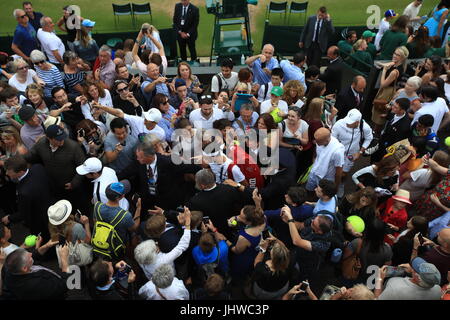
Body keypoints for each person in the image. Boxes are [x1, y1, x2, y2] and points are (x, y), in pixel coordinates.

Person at [118, 141, 200, 215]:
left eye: (140, 157)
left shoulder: (168, 162)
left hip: (167, 200)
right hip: (147, 200)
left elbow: (191, 167)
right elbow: (125, 172)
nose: (137, 158)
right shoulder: (138, 163)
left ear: (149, 156)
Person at [24, 124, 88, 209]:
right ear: (49, 138)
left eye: (63, 138)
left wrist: (74, 183)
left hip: (71, 186)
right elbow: (31, 156)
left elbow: (83, 165)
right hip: (54, 186)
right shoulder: (41, 144)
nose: (62, 141)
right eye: (58, 140)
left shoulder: (73, 147)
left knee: (78, 205)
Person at [2, 155, 52, 239]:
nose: (6, 173)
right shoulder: (38, 168)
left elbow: (24, 213)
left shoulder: (23, 191)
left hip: (40, 221)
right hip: (51, 206)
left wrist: (10, 218)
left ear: (20, 172)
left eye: (9, 171)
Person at [135, 208, 191, 280]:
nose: (165, 218)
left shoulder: (143, 226)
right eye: (164, 220)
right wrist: (186, 224)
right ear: (163, 227)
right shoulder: (165, 253)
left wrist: (162, 212)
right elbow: (182, 245)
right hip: (168, 276)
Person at [280, 206, 333, 283]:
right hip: (298, 252)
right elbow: (301, 226)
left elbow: (297, 241)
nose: (311, 221)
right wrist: (287, 219)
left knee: (301, 276)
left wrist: (290, 219)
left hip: (308, 261)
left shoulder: (323, 244)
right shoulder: (315, 220)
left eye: (313, 224)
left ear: (319, 231)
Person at [92, 182, 141, 260]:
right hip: (116, 250)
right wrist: (138, 208)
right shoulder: (125, 215)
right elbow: (134, 228)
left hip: (98, 244)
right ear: (121, 197)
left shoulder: (97, 206)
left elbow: (95, 222)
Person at [2, 245, 70, 300]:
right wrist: (64, 260)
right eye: (29, 257)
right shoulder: (36, 285)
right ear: (25, 268)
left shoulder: (10, 268)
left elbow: (31, 257)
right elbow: (64, 285)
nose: (31, 253)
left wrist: (46, 246)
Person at [332, 109, 373, 192]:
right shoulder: (339, 124)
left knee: (343, 174)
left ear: (357, 122)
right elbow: (332, 139)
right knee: (334, 171)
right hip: (338, 152)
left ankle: (340, 185)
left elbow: (369, 138)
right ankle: (332, 186)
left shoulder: (364, 127)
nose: (348, 123)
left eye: (351, 122)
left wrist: (360, 152)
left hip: (351, 154)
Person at [372, 46, 409, 132]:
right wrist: (384, 65)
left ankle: (375, 133)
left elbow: (383, 84)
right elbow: (388, 64)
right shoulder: (398, 65)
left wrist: (384, 70)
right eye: (395, 53)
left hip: (386, 92)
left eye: (398, 55)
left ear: (402, 58)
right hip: (392, 90)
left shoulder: (394, 72)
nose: (394, 56)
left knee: (379, 112)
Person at [376, 257, 442, 299]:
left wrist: (379, 279)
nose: (412, 268)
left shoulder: (394, 289)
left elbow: (377, 298)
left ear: (418, 278)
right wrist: (412, 272)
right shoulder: (438, 290)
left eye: (415, 269)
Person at [94, 103, 165, 141]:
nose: (145, 121)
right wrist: (102, 107)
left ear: (155, 123)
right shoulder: (137, 120)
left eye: (147, 120)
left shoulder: (161, 133)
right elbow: (118, 113)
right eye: (145, 118)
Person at [371, 98, 412, 163]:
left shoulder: (405, 125)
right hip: (382, 141)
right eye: (393, 105)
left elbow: (397, 142)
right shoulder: (394, 113)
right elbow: (390, 117)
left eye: (396, 107)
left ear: (402, 110)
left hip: (388, 148)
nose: (392, 108)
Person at [305, 128, 344, 193]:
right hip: (314, 172)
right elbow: (316, 154)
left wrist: (335, 187)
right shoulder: (320, 140)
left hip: (326, 178)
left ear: (326, 140)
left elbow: (339, 172)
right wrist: (314, 164)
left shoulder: (338, 151)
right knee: (309, 191)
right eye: (315, 139)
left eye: (318, 141)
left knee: (321, 195)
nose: (315, 142)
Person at [413, 157, 450, 222]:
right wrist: (428, 158)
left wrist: (439, 204)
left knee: (418, 225)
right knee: (410, 216)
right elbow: (436, 166)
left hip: (433, 213)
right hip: (423, 202)